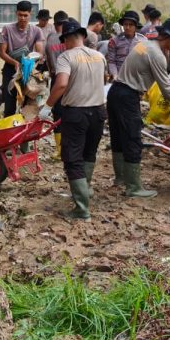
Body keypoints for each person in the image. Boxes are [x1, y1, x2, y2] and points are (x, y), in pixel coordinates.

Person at [107, 19, 170, 197]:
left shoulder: (145, 44)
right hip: (128, 97)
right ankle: (134, 188)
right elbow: (166, 89)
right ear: (169, 38)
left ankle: (121, 178)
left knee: (119, 137)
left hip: (116, 93)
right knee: (132, 138)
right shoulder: (157, 54)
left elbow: (159, 75)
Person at [37, 20, 106, 220]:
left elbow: (61, 85)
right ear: (83, 36)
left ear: (67, 39)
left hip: (76, 114)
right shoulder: (99, 56)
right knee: (89, 153)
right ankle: (85, 191)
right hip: (99, 112)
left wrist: (48, 106)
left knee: (72, 158)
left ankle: (81, 209)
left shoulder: (66, 57)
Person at [0, 1, 45, 116]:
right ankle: (9, 132)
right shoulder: (7, 29)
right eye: (20, 15)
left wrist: (31, 60)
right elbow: (2, 53)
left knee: (28, 106)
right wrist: (15, 62)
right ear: (16, 14)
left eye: (25, 15)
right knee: (9, 105)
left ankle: (24, 131)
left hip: (27, 71)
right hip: (10, 69)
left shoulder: (36, 31)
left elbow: (40, 53)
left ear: (30, 14)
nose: (23, 18)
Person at [45, 10, 69, 158]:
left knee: (58, 113)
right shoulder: (70, 38)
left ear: (55, 24)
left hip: (56, 79)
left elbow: (48, 60)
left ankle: (60, 151)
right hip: (71, 79)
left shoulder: (50, 38)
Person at [106, 11, 146, 80]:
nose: (127, 27)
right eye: (125, 24)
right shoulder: (114, 41)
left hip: (137, 79)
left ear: (136, 26)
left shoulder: (143, 41)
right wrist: (115, 76)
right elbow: (112, 61)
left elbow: (145, 61)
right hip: (119, 78)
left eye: (131, 25)